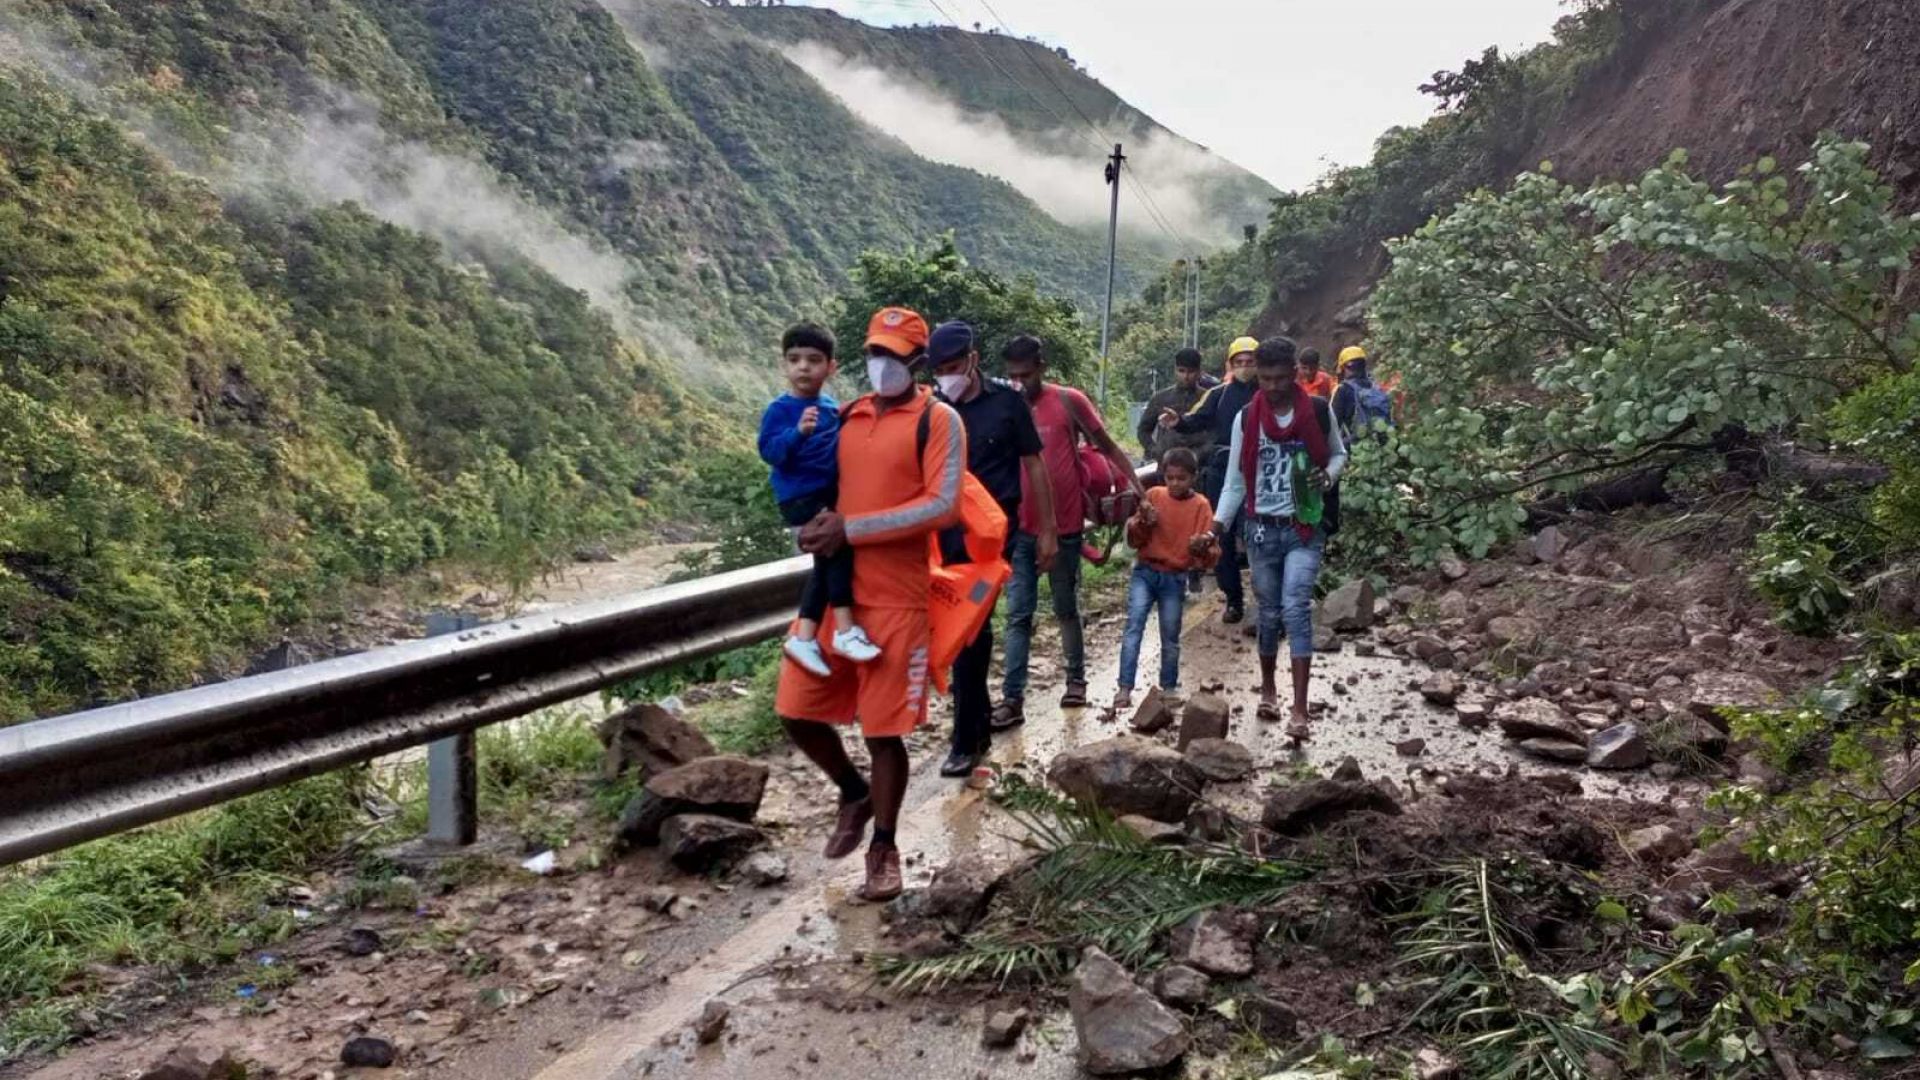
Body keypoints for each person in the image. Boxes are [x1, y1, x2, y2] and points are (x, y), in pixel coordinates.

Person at [774, 306, 966, 902]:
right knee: (795, 710)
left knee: (884, 732)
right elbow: (816, 482)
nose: (880, 365)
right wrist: (813, 524)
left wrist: (851, 529)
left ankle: (883, 847)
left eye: (893, 355)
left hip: (899, 601)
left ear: (918, 361)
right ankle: (852, 792)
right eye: (873, 352)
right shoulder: (849, 416)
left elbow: (943, 506)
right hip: (838, 596)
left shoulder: (939, 421)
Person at [928, 321, 1055, 777]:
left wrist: (1047, 531)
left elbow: (1034, 465)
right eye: (939, 369)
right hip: (942, 536)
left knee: (969, 630)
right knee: (963, 634)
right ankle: (976, 728)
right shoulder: (933, 408)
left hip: (991, 540)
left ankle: (965, 741)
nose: (947, 376)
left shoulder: (1007, 402)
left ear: (973, 360)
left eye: (954, 367)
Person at [996, 334, 1142, 726]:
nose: (1019, 383)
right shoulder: (1005, 408)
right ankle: (1012, 699)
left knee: (1065, 607)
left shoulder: (1067, 401)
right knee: (1018, 615)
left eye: (1025, 375)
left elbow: (1107, 445)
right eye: (1012, 376)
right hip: (1019, 528)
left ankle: (1075, 680)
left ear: (1041, 367)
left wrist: (1138, 488)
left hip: (1064, 526)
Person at [1213, 336, 1348, 741]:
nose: (1272, 387)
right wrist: (1216, 527)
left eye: (1280, 378)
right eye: (1265, 379)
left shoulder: (1319, 411)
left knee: (1296, 607)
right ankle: (1269, 689)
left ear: (1295, 374)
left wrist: (1328, 477)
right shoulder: (1245, 418)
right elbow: (1236, 482)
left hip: (1304, 525)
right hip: (1259, 529)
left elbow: (1340, 454)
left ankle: (1301, 710)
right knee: (1268, 613)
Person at [758, 323, 883, 677]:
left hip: (828, 495)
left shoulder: (830, 407)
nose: (803, 367)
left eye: (813, 360)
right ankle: (844, 630)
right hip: (800, 497)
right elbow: (770, 452)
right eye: (794, 359)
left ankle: (806, 636)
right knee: (838, 550)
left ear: (831, 367)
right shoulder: (780, 410)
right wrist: (798, 434)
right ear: (784, 364)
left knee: (825, 565)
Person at [1156, 336, 1261, 623]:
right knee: (1222, 535)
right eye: (1239, 362)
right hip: (1224, 470)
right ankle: (1235, 600)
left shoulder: (1269, 392)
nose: (1244, 367)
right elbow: (1196, 418)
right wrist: (1178, 421)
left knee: (1257, 535)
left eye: (1250, 362)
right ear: (1230, 364)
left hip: (1260, 472)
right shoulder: (1219, 395)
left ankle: (1265, 600)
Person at [1114, 447, 1218, 710]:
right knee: (1133, 626)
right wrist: (1144, 523)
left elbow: (1211, 552)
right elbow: (1133, 539)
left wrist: (1201, 548)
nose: (1174, 483)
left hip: (1174, 576)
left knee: (1170, 634)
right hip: (1145, 571)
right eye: (1170, 477)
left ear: (1193, 478)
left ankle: (1169, 686)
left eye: (1181, 478)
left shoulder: (1201, 506)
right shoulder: (1153, 496)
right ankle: (1124, 687)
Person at [1136, 347, 1215, 462]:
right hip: (1166, 466)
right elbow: (1143, 430)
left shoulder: (1209, 398)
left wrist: (1200, 454)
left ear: (1199, 372)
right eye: (1181, 371)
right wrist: (1155, 450)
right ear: (1175, 370)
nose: (1186, 376)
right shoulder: (1160, 398)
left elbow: (1215, 434)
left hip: (1200, 467)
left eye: (1191, 372)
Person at [1331, 345, 1396, 442]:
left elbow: (1333, 424)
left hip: (1355, 447)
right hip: (1380, 443)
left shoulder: (1343, 390)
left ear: (1344, 367)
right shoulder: (1376, 387)